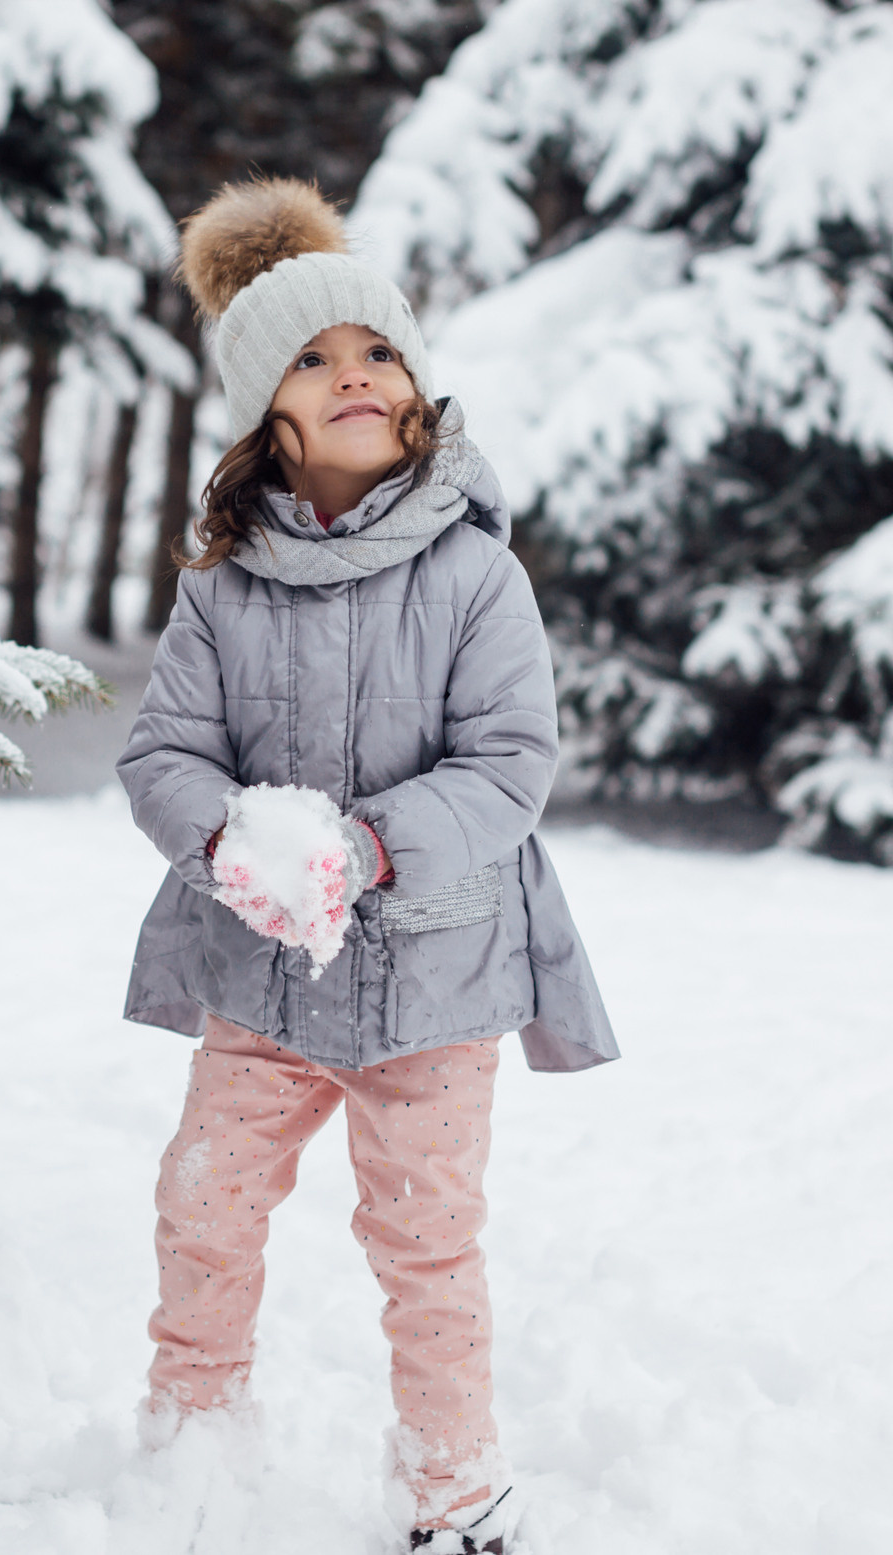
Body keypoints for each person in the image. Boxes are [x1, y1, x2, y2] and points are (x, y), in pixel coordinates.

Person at [115, 177, 617, 1554]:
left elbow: (510, 764)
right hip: (258, 978)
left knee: (425, 1242)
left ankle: (454, 1489)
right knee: (203, 1201)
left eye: (377, 350)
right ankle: (192, 1439)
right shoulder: (223, 584)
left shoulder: (473, 578)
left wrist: (368, 846)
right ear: (261, 413)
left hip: (435, 980)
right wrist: (228, 841)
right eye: (313, 357)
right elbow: (164, 750)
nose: (353, 373)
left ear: (415, 389)